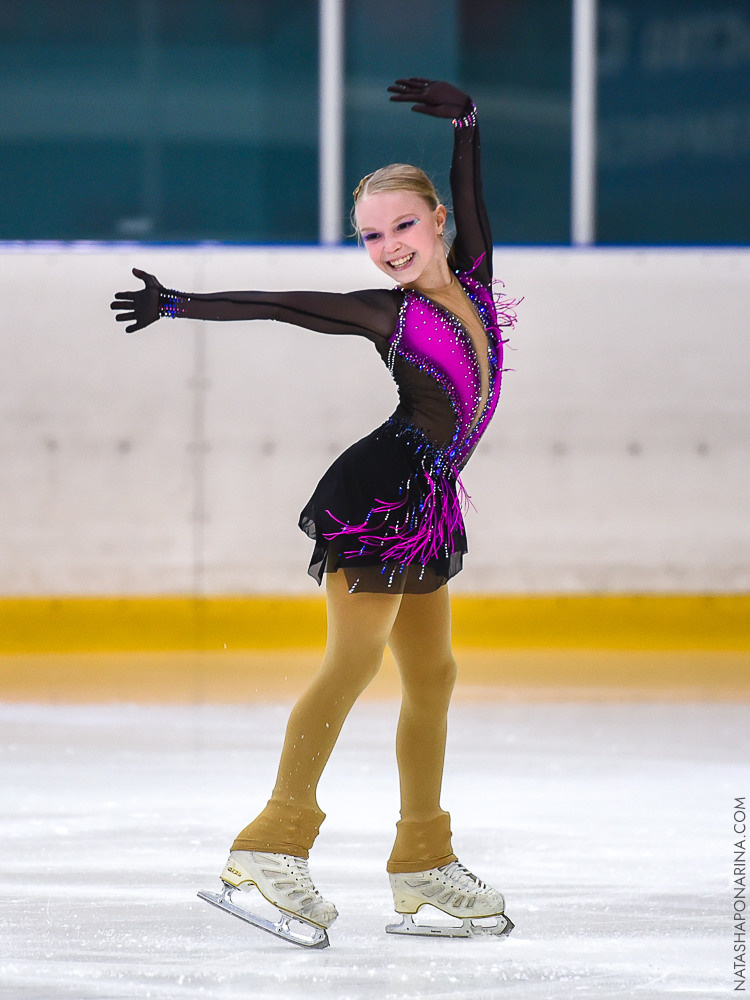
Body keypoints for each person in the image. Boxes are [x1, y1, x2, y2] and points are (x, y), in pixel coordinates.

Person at [111, 77, 518, 948]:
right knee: (352, 665)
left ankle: (420, 861)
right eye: (371, 236)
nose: (388, 246)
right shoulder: (391, 315)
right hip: (377, 496)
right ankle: (272, 843)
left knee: (434, 677)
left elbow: (476, 192)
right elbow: (281, 304)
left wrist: (470, 125)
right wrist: (180, 302)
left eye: (404, 225)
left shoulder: (476, 280)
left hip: (429, 508)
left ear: (439, 221)